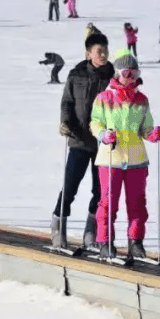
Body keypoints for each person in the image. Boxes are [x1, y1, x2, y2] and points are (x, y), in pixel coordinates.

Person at [90, 49, 160, 260]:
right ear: (117, 73)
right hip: (110, 158)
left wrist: (153, 134)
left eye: (133, 73)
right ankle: (105, 242)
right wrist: (103, 135)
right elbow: (95, 122)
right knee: (108, 202)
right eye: (125, 73)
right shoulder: (103, 98)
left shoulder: (141, 99)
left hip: (136, 160)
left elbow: (145, 127)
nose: (129, 77)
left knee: (138, 203)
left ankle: (136, 242)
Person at [50, 32, 114, 249]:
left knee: (100, 190)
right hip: (79, 138)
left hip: (103, 141)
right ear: (89, 53)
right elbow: (67, 102)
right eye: (99, 50)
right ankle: (58, 227)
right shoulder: (76, 74)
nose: (103, 54)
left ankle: (91, 231)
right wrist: (66, 123)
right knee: (70, 186)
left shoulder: (114, 77)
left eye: (105, 49)